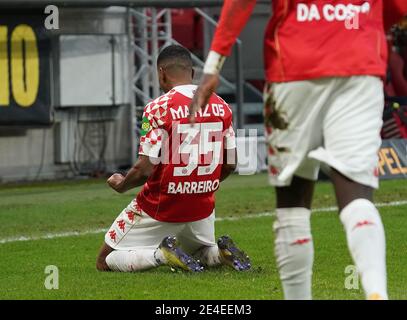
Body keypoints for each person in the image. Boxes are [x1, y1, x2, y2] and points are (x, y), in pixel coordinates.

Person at [190, 0, 407, 299]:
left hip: (294, 65)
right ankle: (376, 292)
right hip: (358, 64)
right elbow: (396, 9)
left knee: (293, 203)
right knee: (357, 193)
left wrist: (213, 65)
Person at [96, 45, 251, 273]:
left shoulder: (156, 108)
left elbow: (144, 169)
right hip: (202, 205)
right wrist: (202, 182)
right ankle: (219, 254)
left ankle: (160, 255)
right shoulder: (221, 106)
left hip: (162, 204)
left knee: (104, 260)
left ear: (161, 72)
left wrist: (121, 184)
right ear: (193, 73)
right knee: (197, 252)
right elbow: (230, 164)